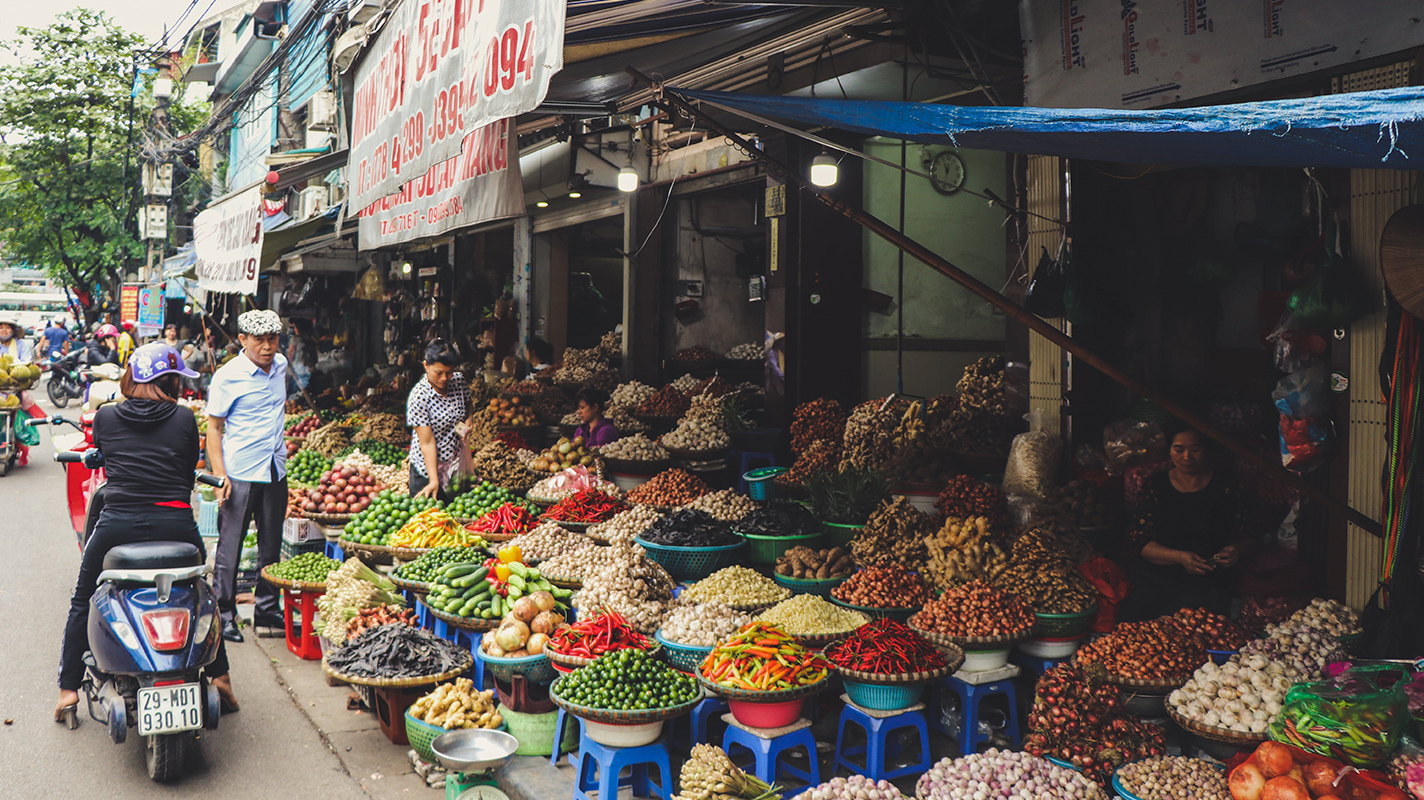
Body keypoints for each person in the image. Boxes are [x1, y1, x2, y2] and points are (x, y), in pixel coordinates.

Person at [54, 343, 238, 722]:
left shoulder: (106, 417)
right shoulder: (184, 418)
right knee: (203, 592)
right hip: (176, 524)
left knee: (82, 597)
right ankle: (221, 677)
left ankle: (68, 690)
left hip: (117, 525)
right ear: (169, 382)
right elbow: (188, 468)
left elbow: (101, 453)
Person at [207, 310, 289, 643]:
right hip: (239, 472)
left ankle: (267, 609)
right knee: (230, 547)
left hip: (275, 469)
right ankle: (224, 614)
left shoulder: (281, 365)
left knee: (271, 546)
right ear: (242, 339)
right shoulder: (227, 376)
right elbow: (214, 429)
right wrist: (219, 476)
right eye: (259, 340)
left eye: (273, 339)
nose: (267, 347)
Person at [1121, 427, 1259, 620]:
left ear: (1205, 449)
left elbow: (1251, 535)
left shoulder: (1227, 486)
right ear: (1169, 451)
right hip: (1158, 580)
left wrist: (1237, 550)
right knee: (1131, 622)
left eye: (1195, 449)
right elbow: (1141, 543)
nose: (1187, 457)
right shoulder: (1155, 486)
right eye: (1179, 449)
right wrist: (1180, 557)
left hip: (1209, 583)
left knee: (1191, 625)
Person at [407, 339, 475, 500]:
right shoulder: (419, 397)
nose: (445, 378)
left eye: (449, 372)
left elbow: (468, 404)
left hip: (454, 469)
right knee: (427, 514)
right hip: (427, 472)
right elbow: (427, 443)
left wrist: (469, 420)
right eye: (439, 372)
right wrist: (433, 480)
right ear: (426, 365)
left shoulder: (458, 381)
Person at [287, 318, 317, 393]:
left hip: (299, 371)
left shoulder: (295, 339)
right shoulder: (311, 340)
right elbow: (315, 358)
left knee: (295, 392)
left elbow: (290, 356)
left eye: (295, 327)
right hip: (311, 369)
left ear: (298, 327)